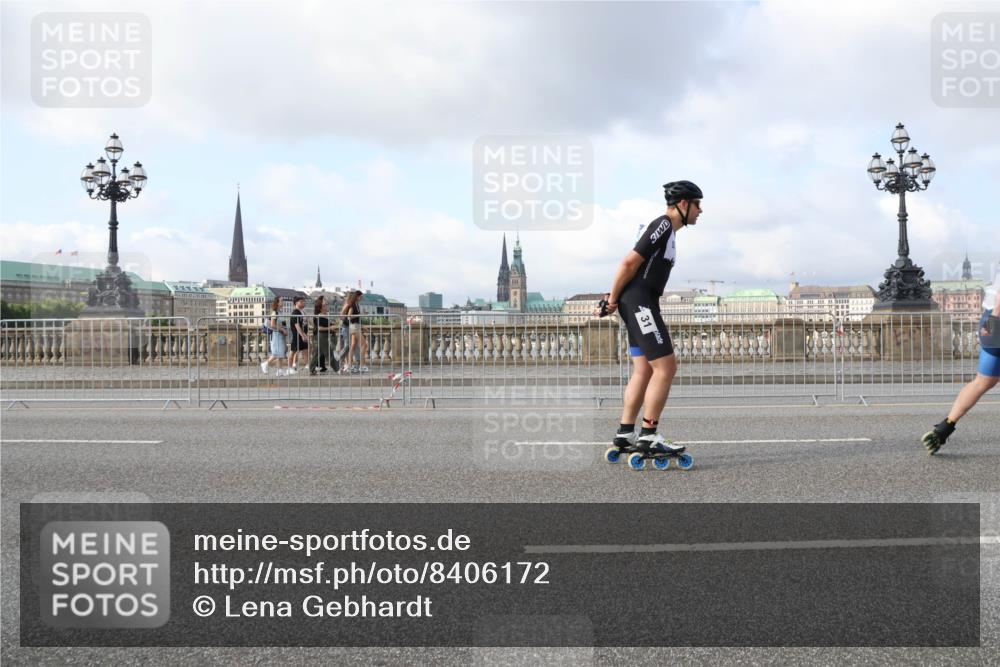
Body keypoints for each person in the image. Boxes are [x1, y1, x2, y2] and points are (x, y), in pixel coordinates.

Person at [601, 180, 704, 464]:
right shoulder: (663, 225)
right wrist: (613, 299)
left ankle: (626, 432)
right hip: (640, 302)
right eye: (697, 204)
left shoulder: (669, 231)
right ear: (683, 204)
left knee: (644, 369)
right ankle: (648, 434)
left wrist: (615, 299)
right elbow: (628, 263)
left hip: (638, 301)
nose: (700, 210)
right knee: (666, 367)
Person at [923, 269, 1000, 454]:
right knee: (983, 381)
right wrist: (995, 322)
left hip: (991, 318)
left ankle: (944, 429)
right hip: (996, 319)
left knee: (983, 382)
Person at [341, 290, 369, 374]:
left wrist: (362, 325)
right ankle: (362, 365)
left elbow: (355, 318)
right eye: (361, 296)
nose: (362, 298)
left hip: (355, 326)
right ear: (357, 296)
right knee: (364, 344)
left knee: (353, 346)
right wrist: (360, 314)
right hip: (354, 327)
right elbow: (349, 316)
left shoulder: (356, 304)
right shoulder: (353, 305)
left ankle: (350, 365)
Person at [260, 296, 290, 377]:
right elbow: (273, 325)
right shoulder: (274, 312)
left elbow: (281, 324)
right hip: (276, 334)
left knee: (281, 353)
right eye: (281, 301)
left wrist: (284, 329)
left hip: (280, 334)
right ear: (277, 302)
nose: (283, 302)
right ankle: (265, 364)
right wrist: (282, 329)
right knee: (277, 353)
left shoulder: (280, 312)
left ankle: (279, 371)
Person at [308, 295, 337, 375]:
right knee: (328, 354)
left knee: (318, 354)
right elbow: (320, 328)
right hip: (319, 336)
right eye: (325, 304)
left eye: (327, 304)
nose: (327, 305)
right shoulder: (319, 316)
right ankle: (337, 369)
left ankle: (312, 369)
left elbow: (325, 325)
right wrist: (330, 327)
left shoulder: (325, 314)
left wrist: (331, 326)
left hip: (323, 336)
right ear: (320, 307)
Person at [288, 296, 309, 374]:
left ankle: (308, 365)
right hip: (297, 335)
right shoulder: (295, 312)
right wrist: (303, 335)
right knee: (293, 351)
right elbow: (297, 326)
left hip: (302, 334)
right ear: (296, 303)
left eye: (304, 301)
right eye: (301, 301)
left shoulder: (301, 311)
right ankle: (289, 368)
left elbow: (305, 322)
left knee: (305, 350)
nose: (303, 303)